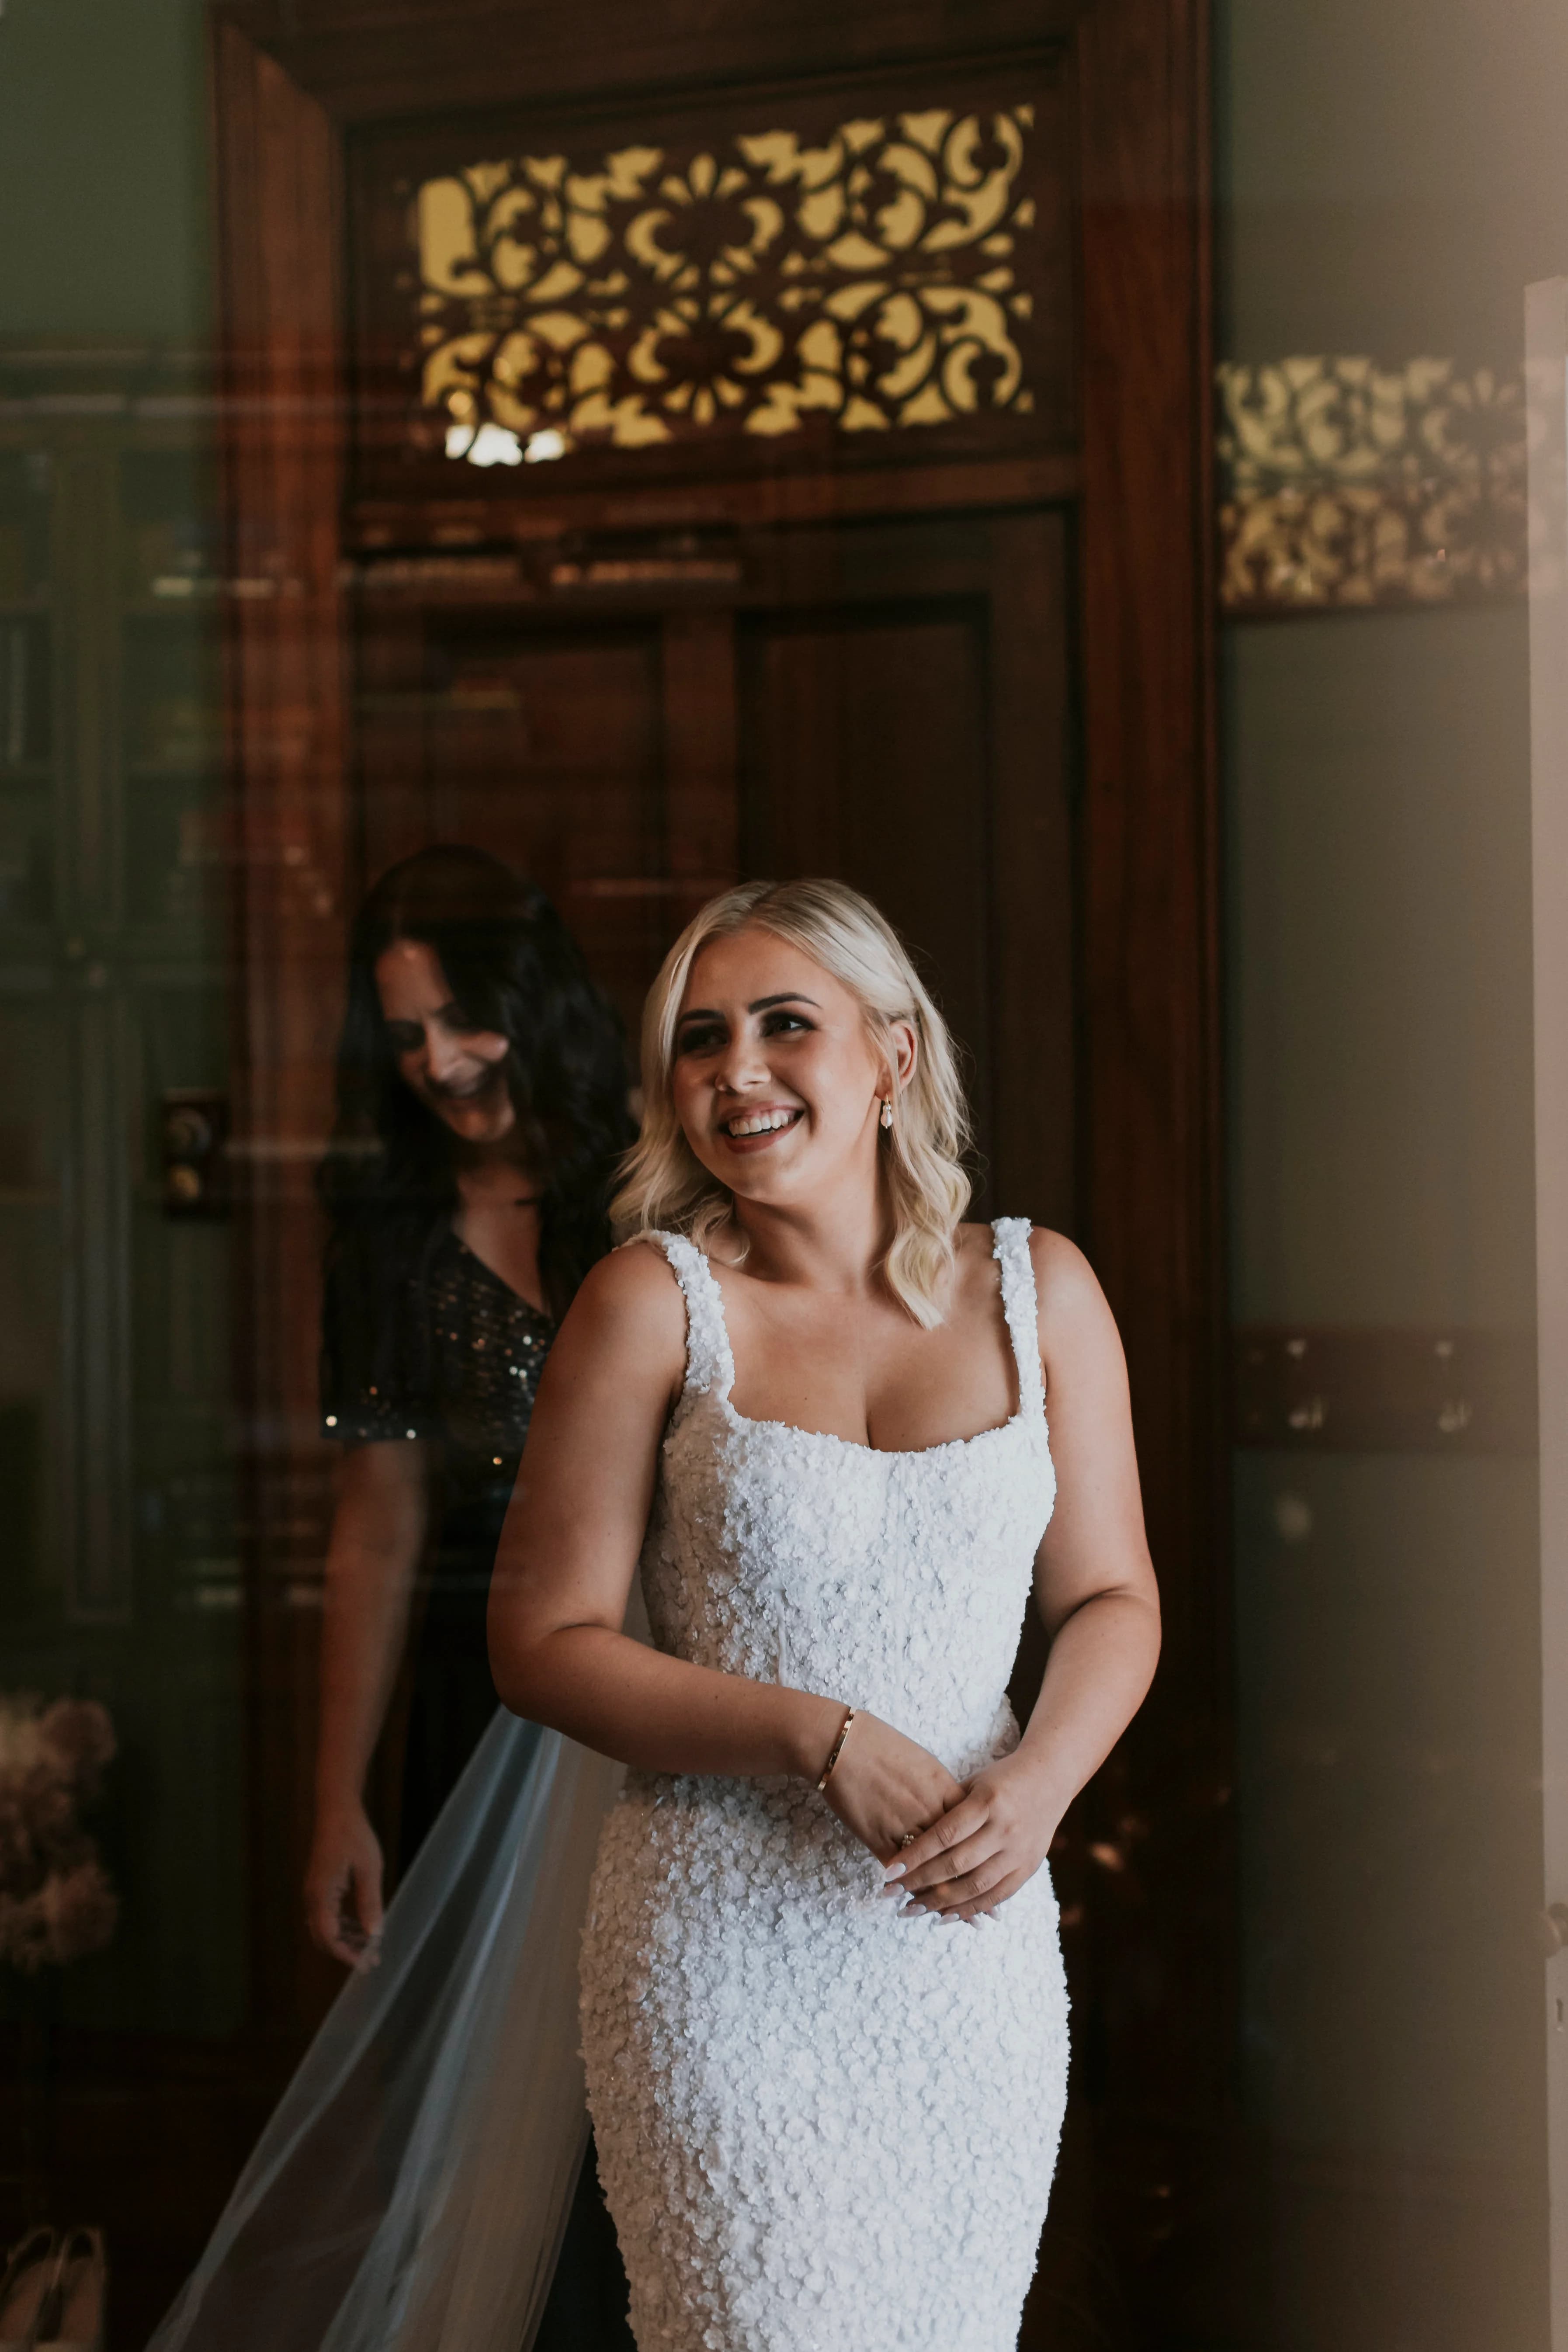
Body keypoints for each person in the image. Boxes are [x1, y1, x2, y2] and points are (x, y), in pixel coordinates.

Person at [488, 877, 1162, 2351]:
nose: (736, 1070)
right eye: (699, 1039)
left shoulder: (1039, 1290)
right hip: (720, 1959)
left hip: (964, 1959)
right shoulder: (648, 1302)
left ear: (892, 1056)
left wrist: (1041, 1786)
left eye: (784, 1025)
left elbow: (1112, 1595)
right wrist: (819, 1736)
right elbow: (540, 1643)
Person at [308, 843, 635, 2346]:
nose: (436, 1062)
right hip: (480, 1681)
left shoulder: (649, 1173)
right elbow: (374, 1527)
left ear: (528, 998)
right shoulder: (386, 1223)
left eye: (460, 1019)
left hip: (672, 1665)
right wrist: (337, 1798)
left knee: (654, 2061)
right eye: (402, 1034)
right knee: (504, 2096)